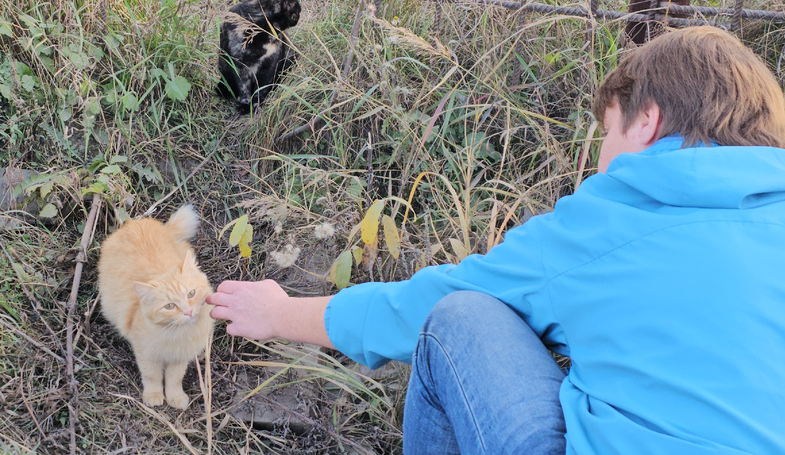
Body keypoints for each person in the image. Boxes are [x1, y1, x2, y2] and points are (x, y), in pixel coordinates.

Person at [206, 26, 785, 454]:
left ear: (646, 122)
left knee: (461, 318)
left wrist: (280, 313)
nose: (599, 158)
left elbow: (425, 308)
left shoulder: (614, 217)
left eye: (606, 131)